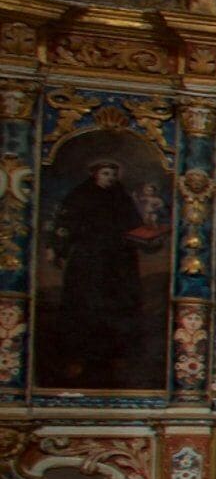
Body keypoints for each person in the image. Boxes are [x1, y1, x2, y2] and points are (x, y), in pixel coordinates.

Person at [44, 154, 160, 388]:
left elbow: (135, 226)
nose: (110, 178)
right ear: (95, 174)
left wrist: (150, 237)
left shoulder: (120, 197)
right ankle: (79, 357)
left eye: (113, 174)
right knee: (85, 306)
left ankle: (115, 357)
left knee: (118, 306)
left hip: (118, 263)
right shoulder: (80, 196)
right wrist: (56, 249)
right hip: (89, 262)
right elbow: (65, 225)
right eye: (106, 174)